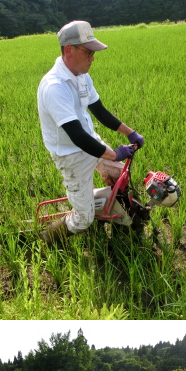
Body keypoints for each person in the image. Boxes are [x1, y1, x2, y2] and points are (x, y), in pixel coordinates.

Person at [37, 20, 144, 244]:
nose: (93, 58)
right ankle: (45, 239)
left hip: (90, 140)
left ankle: (120, 220)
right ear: (69, 50)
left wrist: (130, 133)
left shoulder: (82, 76)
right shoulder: (54, 87)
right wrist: (115, 154)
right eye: (88, 52)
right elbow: (77, 136)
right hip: (71, 155)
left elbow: (99, 111)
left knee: (118, 176)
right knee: (83, 220)